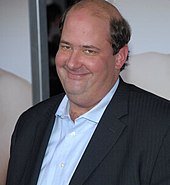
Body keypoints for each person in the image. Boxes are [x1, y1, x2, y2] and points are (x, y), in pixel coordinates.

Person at [6, 0, 170, 184]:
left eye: (88, 51)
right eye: (66, 47)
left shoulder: (161, 127)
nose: (72, 63)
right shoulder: (29, 124)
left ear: (119, 58)